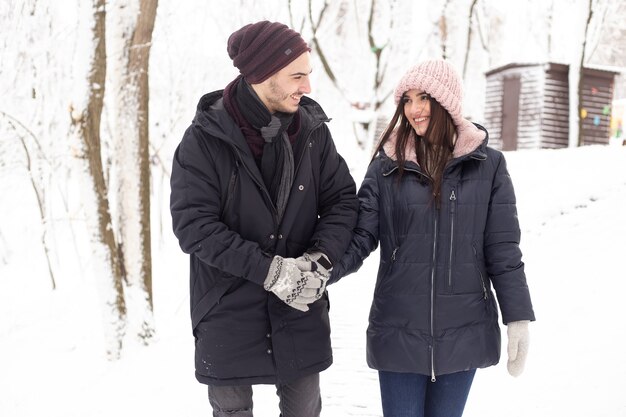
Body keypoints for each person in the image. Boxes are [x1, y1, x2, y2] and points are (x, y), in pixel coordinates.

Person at [169, 21, 359, 417]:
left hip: (301, 305)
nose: (307, 87)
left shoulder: (312, 132)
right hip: (227, 307)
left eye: (308, 74)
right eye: (297, 75)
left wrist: (320, 258)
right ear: (261, 75)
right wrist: (272, 272)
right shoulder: (203, 141)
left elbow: (342, 200)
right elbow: (195, 227)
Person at [330, 59, 536, 417]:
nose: (414, 109)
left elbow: (502, 249)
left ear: (447, 102)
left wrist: (517, 316)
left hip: (464, 329)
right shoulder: (386, 166)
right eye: (407, 100)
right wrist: (320, 270)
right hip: (398, 327)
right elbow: (360, 236)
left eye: (423, 97)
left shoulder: (488, 166)